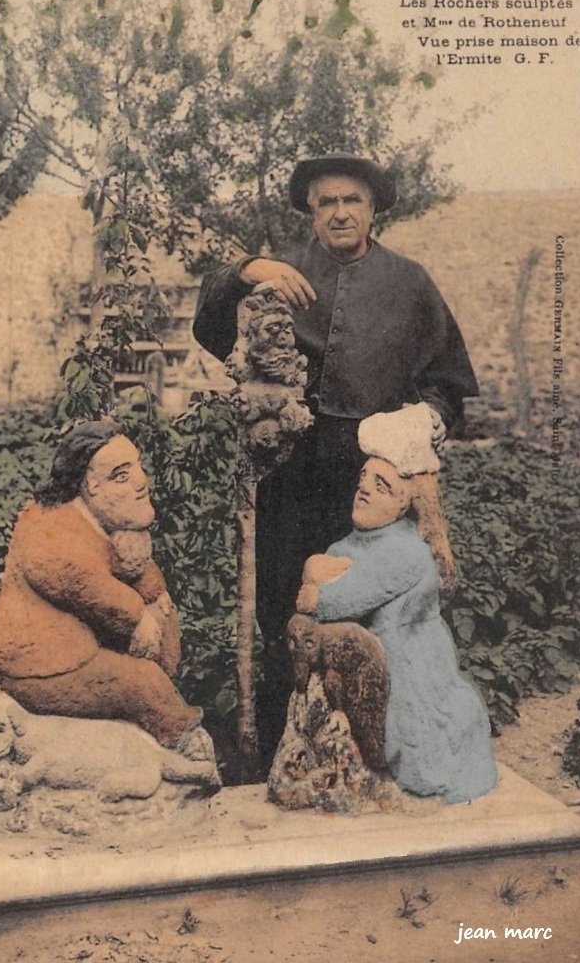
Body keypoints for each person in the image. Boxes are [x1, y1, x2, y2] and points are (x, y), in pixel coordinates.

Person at [193, 152, 479, 762]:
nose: (341, 212)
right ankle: (279, 749)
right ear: (311, 212)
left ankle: (373, 750)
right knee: (285, 605)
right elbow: (210, 322)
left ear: (374, 209)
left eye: (353, 200)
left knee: (368, 608)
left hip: (369, 475)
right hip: (289, 469)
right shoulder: (283, 271)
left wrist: (417, 423)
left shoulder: (410, 282)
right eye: (327, 202)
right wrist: (250, 267)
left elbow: (448, 385)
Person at [296, 409, 497, 804]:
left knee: (408, 736)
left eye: (382, 485)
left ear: (406, 503)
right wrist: (315, 569)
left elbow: (343, 596)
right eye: (363, 479)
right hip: (370, 655)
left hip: (408, 662)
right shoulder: (363, 539)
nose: (364, 490)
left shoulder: (405, 551)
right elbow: (337, 562)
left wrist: (316, 588)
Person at [0, 420, 209, 757]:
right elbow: (72, 575)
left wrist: (150, 588)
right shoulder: (49, 523)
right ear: (90, 486)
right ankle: (186, 751)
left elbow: (137, 578)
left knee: (149, 669)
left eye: (138, 466)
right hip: (41, 664)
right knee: (140, 684)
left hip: (79, 650)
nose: (141, 482)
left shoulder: (105, 525)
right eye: (121, 475)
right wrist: (136, 616)